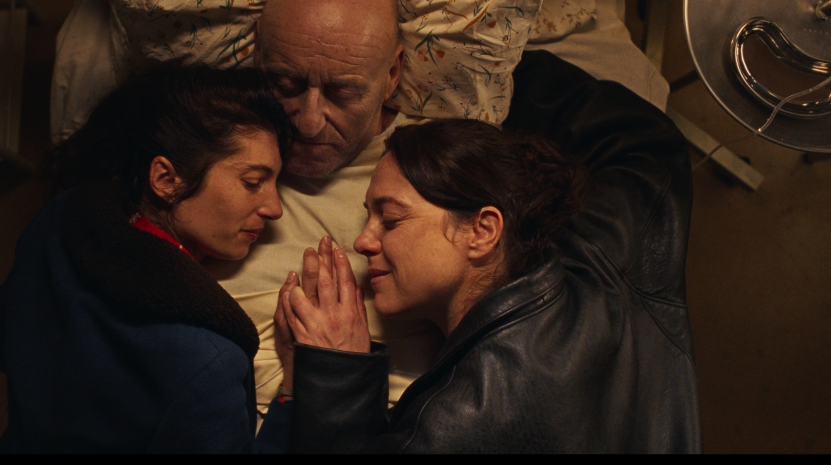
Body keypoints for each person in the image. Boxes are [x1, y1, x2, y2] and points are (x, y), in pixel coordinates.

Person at [275, 51, 703, 453]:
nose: (362, 241)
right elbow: (644, 140)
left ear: (482, 231)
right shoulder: (605, 256)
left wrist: (339, 376)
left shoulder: (457, 423)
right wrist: (491, 64)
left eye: (389, 219)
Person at [0, 65, 296, 453]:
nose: (275, 208)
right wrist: (295, 390)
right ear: (165, 179)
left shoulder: (60, 221)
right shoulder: (208, 362)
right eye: (253, 182)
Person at [204, 0, 445, 419]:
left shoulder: (442, 167)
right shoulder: (206, 148)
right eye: (286, 85)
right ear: (258, 53)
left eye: (343, 92)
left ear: (392, 74)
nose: (309, 121)